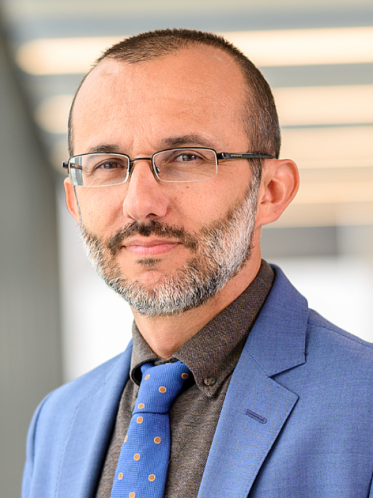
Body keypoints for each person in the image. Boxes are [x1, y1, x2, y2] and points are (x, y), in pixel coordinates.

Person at [22, 29, 373, 498]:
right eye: (107, 164)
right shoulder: (57, 422)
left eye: (186, 157)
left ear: (271, 191)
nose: (139, 204)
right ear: (74, 202)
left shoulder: (364, 406)